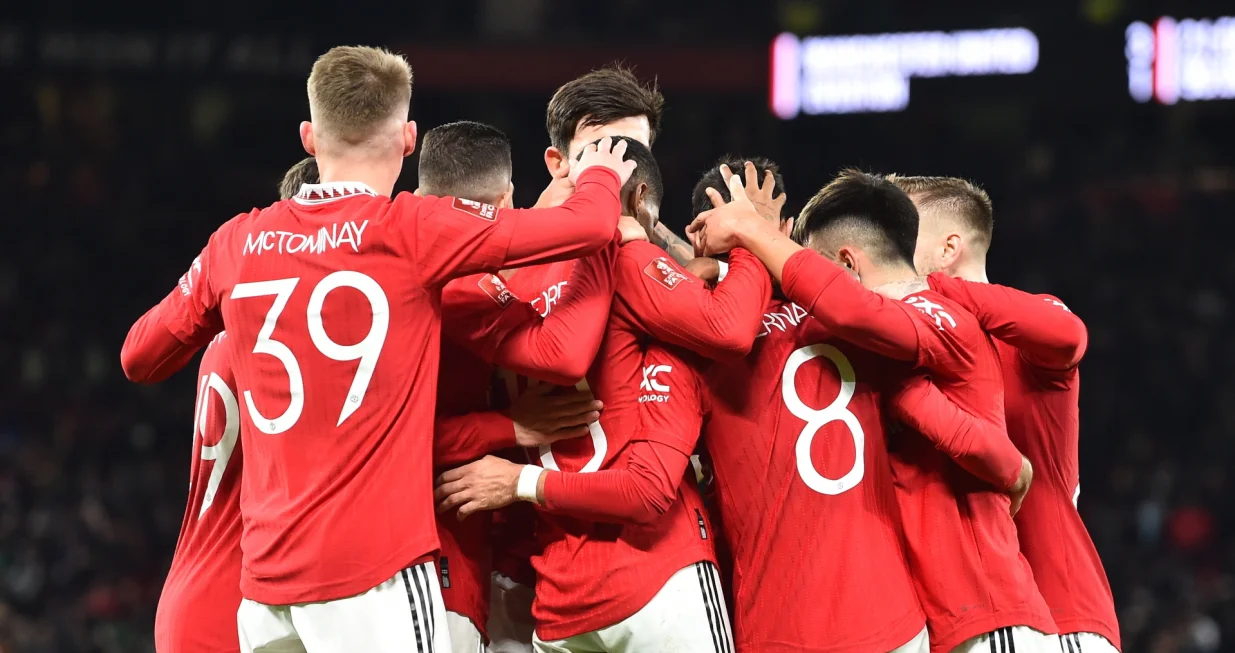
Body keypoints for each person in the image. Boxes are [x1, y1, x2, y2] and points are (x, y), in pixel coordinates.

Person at [120, 45, 635, 653]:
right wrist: (601, 170)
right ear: (409, 138)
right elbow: (590, 226)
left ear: (310, 137)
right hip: (373, 581)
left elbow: (139, 356)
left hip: (265, 592)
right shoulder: (413, 229)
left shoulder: (237, 240)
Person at [441, 169, 1031, 653]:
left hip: (772, 625)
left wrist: (668, 247)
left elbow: (649, 479)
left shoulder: (700, 350)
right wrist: (1012, 466)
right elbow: (950, 421)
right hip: (892, 619)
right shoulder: (856, 328)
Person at [689, 170, 1057, 653]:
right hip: (931, 618)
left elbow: (848, 310)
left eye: (810, 262)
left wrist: (749, 235)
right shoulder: (869, 349)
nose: (802, 282)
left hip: (987, 611)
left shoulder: (929, 317)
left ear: (846, 263)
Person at [437, 138, 769, 653]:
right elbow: (729, 329)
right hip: (658, 575)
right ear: (636, 201)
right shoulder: (626, 264)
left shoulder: (497, 281)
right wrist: (750, 243)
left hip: (557, 596)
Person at [894, 175, 1119, 653]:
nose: (887, 248)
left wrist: (922, 289)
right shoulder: (911, 346)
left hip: (1062, 614)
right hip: (963, 619)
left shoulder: (1030, 325)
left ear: (948, 247)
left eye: (900, 233)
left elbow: (1068, 334)